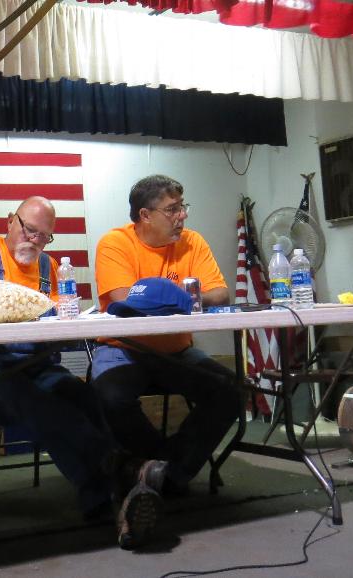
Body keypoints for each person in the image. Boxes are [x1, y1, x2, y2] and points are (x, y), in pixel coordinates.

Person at [0, 196, 169, 550]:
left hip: (38, 365)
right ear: (10, 221)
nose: (35, 241)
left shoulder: (50, 267)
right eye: (30, 230)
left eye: (45, 237)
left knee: (82, 396)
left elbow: (62, 316)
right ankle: (122, 468)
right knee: (36, 401)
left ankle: (107, 501)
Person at [92, 175, 241, 496]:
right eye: (172, 209)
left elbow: (220, 294)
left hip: (176, 350)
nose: (182, 216)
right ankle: (162, 469)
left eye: (182, 207)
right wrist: (182, 299)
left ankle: (165, 473)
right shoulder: (115, 243)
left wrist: (169, 299)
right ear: (145, 215)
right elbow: (123, 300)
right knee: (109, 397)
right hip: (122, 347)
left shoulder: (192, 241)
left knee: (229, 390)